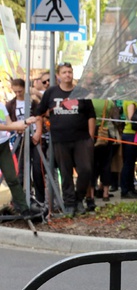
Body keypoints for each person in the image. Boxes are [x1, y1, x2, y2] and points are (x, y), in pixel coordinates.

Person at [34, 62, 96, 216]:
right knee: (65, 172)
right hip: (60, 139)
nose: (67, 75)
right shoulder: (51, 92)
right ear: (59, 75)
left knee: (86, 170)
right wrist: (39, 131)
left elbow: (91, 115)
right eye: (64, 72)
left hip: (82, 139)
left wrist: (91, 137)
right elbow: (39, 113)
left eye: (70, 72)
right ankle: (69, 203)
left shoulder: (81, 92)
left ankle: (79, 198)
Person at [6, 78, 45, 204]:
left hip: (34, 138)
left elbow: (39, 117)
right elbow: (10, 122)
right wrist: (16, 129)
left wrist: (38, 132)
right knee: (21, 170)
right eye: (15, 92)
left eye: (20, 91)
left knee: (38, 170)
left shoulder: (33, 102)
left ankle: (40, 199)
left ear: (24, 89)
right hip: (20, 139)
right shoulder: (11, 104)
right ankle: (20, 200)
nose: (18, 94)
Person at [0, 104, 41, 219]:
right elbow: (8, 127)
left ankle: (25, 210)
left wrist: (26, 122)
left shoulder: (1, 106)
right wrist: (16, 127)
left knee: (12, 178)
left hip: (3, 146)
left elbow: (9, 124)